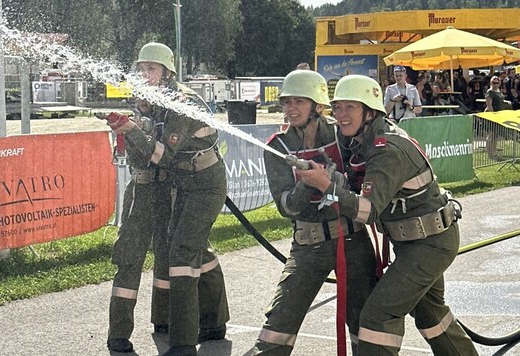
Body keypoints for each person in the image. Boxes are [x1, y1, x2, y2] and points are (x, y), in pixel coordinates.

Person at [297, 74, 478, 356]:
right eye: (338, 107)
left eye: (350, 107)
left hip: (428, 244)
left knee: (377, 318)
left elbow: (367, 211)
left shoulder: (386, 149)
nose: (341, 115)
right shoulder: (364, 140)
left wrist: (326, 186)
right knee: (431, 317)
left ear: (370, 112)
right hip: (418, 242)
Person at [101, 42, 229, 356]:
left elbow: (162, 153)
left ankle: (189, 336)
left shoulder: (180, 102)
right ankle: (146, 328)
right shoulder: (146, 99)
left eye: (152, 69)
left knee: (182, 252)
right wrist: (136, 123)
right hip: (160, 184)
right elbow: (141, 155)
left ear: (167, 73)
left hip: (194, 182)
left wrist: (132, 129)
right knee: (139, 254)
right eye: (141, 68)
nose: (145, 74)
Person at [251, 70, 377, 355]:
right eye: (286, 102)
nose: (290, 109)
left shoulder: (342, 135)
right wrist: (305, 185)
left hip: (352, 241)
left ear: (317, 106)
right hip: (308, 246)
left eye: (299, 101)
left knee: (365, 324)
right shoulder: (277, 148)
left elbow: (363, 183)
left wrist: (332, 182)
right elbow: (286, 207)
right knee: (279, 324)